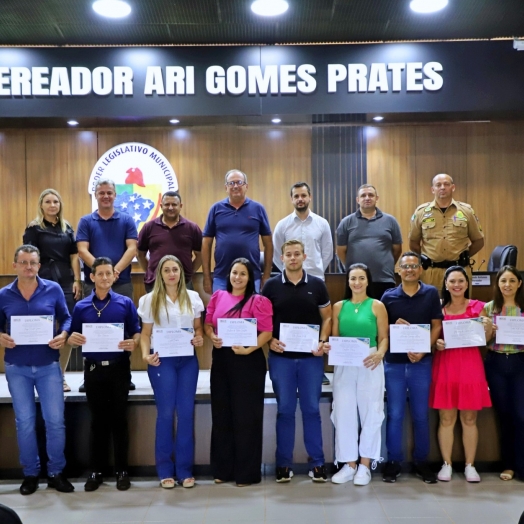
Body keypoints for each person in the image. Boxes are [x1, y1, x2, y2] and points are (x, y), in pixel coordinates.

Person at [0, 245, 74, 495]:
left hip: (48, 365)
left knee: (55, 421)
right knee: (25, 422)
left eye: (33, 262)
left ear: (39, 265)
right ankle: (30, 474)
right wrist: (1, 337)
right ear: (15, 265)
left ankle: (56, 472)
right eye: (23, 262)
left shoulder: (52, 289)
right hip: (16, 366)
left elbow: (66, 318)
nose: (28, 267)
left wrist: (63, 334)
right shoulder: (4, 294)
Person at [67, 257, 141, 492]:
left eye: (109, 273)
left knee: (119, 420)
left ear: (114, 276)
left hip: (119, 368)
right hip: (93, 370)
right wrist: (72, 339)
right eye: (100, 274)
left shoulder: (125, 303)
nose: (105, 278)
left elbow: (137, 332)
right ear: (92, 277)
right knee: (97, 422)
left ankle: (122, 471)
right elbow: (71, 335)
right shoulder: (81, 307)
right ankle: (96, 471)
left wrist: (134, 343)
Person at [262, 240, 332, 483]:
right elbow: (263, 321)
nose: (292, 258)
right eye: (288, 255)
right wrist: (269, 340)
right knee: (285, 410)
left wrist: (323, 341)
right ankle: (283, 464)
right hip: (281, 359)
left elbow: (327, 316)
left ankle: (318, 463)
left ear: (304, 256)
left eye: (296, 254)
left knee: (312, 409)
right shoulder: (270, 286)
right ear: (282, 258)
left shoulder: (317, 285)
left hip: (311, 359)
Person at [204, 258, 273, 486]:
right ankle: (223, 470)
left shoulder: (259, 301)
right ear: (229, 274)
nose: (238, 277)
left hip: (248, 361)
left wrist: (248, 349)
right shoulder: (218, 296)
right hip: (222, 360)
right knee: (222, 414)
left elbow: (267, 332)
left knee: (247, 417)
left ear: (249, 277)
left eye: (243, 274)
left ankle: (247, 473)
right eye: (234, 272)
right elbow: (208, 323)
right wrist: (211, 336)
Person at [138, 255, 204, 489]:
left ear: (181, 272)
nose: (171, 274)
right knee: (166, 414)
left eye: (175, 269)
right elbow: (145, 334)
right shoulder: (148, 300)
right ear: (160, 274)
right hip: (160, 361)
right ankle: (165, 470)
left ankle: (185, 470)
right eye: (166, 270)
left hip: (187, 361)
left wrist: (198, 338)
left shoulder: (193, 298)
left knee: (186, 414)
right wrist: (145, 355)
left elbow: (198, 329)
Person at [381, 252, 443, 483]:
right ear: (398, 270)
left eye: (414, 266)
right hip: (394, 364)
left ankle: (421, 461)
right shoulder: (388, 297)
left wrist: (424, 349)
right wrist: (391, 326)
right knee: (395, 414)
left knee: (420, 415)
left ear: (420, 269)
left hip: (421, 363)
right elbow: (381, 330)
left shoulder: (430, 294)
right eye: (405, 266)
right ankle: (393, 461)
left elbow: (437, 325)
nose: (409, 270)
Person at [430, 266, 492, 483]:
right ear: (445, 284)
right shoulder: (439, 309)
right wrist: (436, 343)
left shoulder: (478, 307)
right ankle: (446, 464)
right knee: (446, 418)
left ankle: (470, 465)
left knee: (469, 417)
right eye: (452, 281)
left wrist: (488, 327)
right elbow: (434, 337)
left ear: (467, 284)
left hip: (470, 366)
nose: (456, 285)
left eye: (460, 281)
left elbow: (487, 337)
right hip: (446, 365)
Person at [76, 178, 138, 391]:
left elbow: (132, 248)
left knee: (125, 328)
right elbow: (82, 250)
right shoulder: (86, 221)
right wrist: (101, 273)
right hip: (92, 283)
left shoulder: (127, 219)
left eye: (109, 192)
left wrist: (114, 272)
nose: (105, 196)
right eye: (101, 192)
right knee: (91, 328)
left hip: (121, 283)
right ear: (96, 195)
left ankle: (125, 375)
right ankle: (89, 376)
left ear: (115, 195)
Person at [330, 263, 388, 486]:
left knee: (371, 412)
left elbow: (384, 337)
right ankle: (348, 464)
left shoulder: (377, 306)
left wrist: (380, 353)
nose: (357, 282)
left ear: (367, 281)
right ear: (348, 281)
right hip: (345, 364)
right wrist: (328, 347)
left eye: (361, 278)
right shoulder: (338, 306)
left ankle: (365, 465)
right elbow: (335, 339)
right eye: (353, 278)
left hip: (370, 362)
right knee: (343, 412)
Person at [23, 188, 81, 392]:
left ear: (60, 205)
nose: (52, 205)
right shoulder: (34, 228)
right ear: (41, 205)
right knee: (44, 328)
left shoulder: (67, 228)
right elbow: (28, 258)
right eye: (47, 202)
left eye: (55, 201)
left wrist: (77, 280)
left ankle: (60, 376)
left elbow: (74, 256)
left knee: (65, 329)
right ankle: (41, 376)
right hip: (42, 280)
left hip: (65, 280)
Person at [481, 265, 524, 482]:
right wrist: (489, 330)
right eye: (503, 281)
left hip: (520, 362)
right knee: (505, 415)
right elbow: (482, 341)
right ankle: (509, 465)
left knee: (521, 415)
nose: (507, 285)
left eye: (511, 281)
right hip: (496, 362)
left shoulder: (523, 307)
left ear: (519, 284)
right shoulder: (489, 308)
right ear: (498, 284)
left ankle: (522, 464)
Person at [409, 173, 484, 292]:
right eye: (438, 185)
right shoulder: (421, 212)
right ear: (432, 189)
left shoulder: (466, 211)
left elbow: (478, 241)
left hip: (459, 271)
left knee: (461, 308)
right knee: (431, 309)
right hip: (431, 273)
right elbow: (413, 243)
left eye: (446, 184)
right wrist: (429, 256)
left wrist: (464, 255)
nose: (442, 187)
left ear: (453, 187)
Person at [202, 169, 273, 294]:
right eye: (231, 183)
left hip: (252, 277)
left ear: (246, 186)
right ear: (226, 187)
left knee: (250, 313)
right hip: (222, 277)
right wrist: (207, 276)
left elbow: (268, 244)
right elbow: (206, 244)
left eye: (239, 182)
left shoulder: (258, 209)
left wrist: (266, 274)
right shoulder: (216, 209)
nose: (235, 186)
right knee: (222, 313)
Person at [336, 184, 402, 300]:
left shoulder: (390, 221)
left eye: (371, 195)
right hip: (357, 281)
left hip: (384, 279)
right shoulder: (346, 222)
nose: (367, 198)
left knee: (384, 315)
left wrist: (384, 264)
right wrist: (352, 268)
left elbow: (397, 249)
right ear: (358, 200)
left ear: (377, 198)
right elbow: (341, 251)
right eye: (363, 196)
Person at [137, 191, 203, 292]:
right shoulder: (149, 227)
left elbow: (200, 254)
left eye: (174, 204)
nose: (170, 207)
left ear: (180, 206)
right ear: (161, 206)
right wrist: (151, 272)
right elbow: (140, 254)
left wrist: (189, 272)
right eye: (167, 204)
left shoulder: (192, 228)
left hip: (183, 283)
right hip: (156, 283)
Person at [272, 182, 333, 280]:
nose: (300, 199)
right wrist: (290, 271)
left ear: (310, 197)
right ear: (292, 199)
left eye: (303, 195)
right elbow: (276, 255)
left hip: (316, 279)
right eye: (296, 196)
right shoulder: (282, 225)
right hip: (289, 281)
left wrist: (317, 270)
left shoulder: (322, 223)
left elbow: (327, 254)